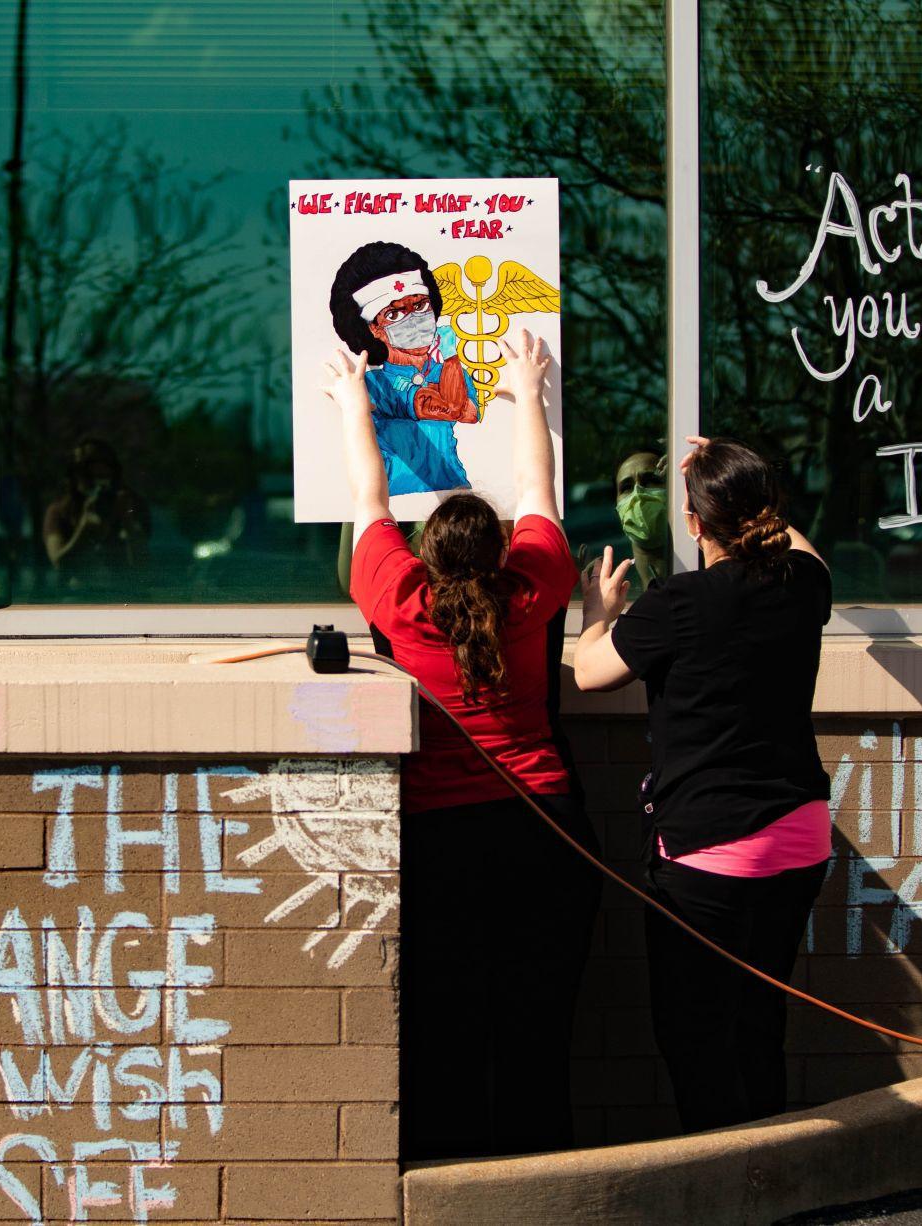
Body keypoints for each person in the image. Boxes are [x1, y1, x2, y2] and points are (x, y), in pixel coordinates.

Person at [324, 329, 600, 1162]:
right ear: (500, 549)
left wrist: (354, 401)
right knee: (536, 1030)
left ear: (426, 554)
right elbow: (537, 485)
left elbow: (369, 494)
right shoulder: (533, 586)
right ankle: (539, 1183)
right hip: (545, 832)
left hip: (439, 844)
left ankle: (450, 1179)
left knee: (443, 1027)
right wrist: (525, 389)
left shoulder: (400, 598)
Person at [573, 435, 832, 1132]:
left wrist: (598, 614)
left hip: (710, 850)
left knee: (695, 1035)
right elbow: (807, 553)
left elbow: (589, 674)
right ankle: (769, 1159)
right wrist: (738, 467)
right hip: (801, 837)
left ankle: (724, 1172)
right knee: (759, 1016)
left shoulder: (678, 602)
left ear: (692, 523)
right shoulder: (801, 586)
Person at [330, 241, 479, 497]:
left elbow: (469, 413)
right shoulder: (375, 385)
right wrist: (451, 355)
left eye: (420, 306)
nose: (414, 319)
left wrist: (449, 364)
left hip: (455, 498)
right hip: (396, 503)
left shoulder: (449, 371)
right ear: (374, 328)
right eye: (394, 315)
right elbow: (449, 408)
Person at [41, 437, 150, 590]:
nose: (97, 475)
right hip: (79, 596)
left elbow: (143, 566)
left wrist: (127, 521)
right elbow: (59, 562)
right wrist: (83, 531)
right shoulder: (60, 511)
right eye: (87, 470)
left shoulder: (130, 504)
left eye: (104, 470)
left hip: (124, 594)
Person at [614, 449, 670, 595]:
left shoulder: (699, 567)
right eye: (627, 487)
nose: (638, 494)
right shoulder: (616, 584)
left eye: (650, 481)